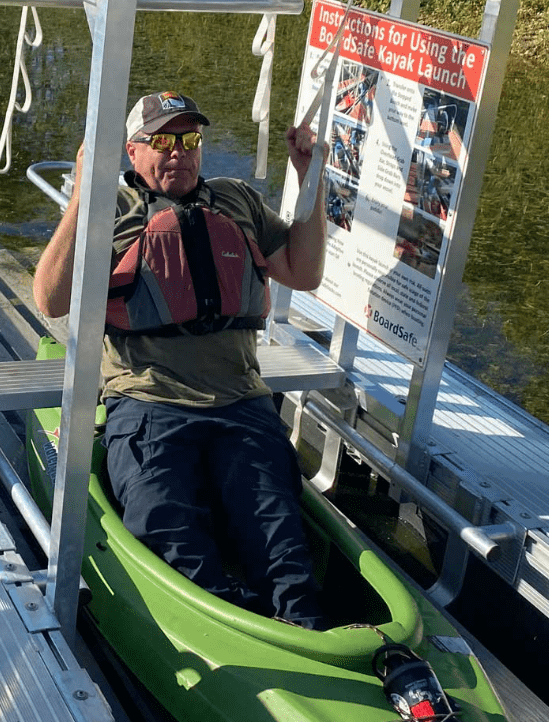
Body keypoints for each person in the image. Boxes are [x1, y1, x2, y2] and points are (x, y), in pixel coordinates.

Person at [31, 91, 328, 628]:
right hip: (148, 406)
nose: (178, 152)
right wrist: (84, 193)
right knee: (170, 535)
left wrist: (311, 178)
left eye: (190, 140)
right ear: (131, 151)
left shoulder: (237, 199)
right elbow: (51, 299)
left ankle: (303, 636)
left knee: (282, 540)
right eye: (162, 140)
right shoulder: (113, 210)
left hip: (242, 404)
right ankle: (227, 631)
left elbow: (302, 273)